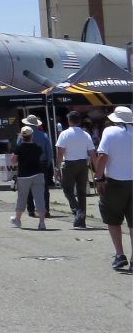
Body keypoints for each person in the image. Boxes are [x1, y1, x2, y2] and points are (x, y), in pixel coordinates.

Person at [93, 106, 133, 270]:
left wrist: (99, 177)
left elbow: (102, 156)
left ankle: (119, 254)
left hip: (115, 182)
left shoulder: (110, 132)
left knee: (113, 218)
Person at [55, 110, 98, 229]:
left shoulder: (64, 134)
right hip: (83, 164)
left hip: (70, 163)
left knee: (67, 188)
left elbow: (60, 153)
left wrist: (57, 168)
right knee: (81, 192)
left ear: (69, 121)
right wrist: (98, 170)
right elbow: (92, 153)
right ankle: (81, 221)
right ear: (79, 121)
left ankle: (78, 210)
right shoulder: (86, 134)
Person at [11, 126, 47, 230]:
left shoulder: (19, 147)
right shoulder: (37, 147)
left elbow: (13, 160)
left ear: (22, 136)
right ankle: (42, 222)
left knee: (22, 198)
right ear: (32, 136)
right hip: (38, 174)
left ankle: (17, 220)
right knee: (39, 198)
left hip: (24, 175)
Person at [18, 114, 53, 218]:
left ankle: (31, 209)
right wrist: (48, 164)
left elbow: (19, 150)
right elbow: (49, 152)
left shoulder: (22, 136)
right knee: (44, 188)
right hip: (41, 164)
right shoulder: (44, 135)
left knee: (28, 187)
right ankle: (45, 209)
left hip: (27, 164)